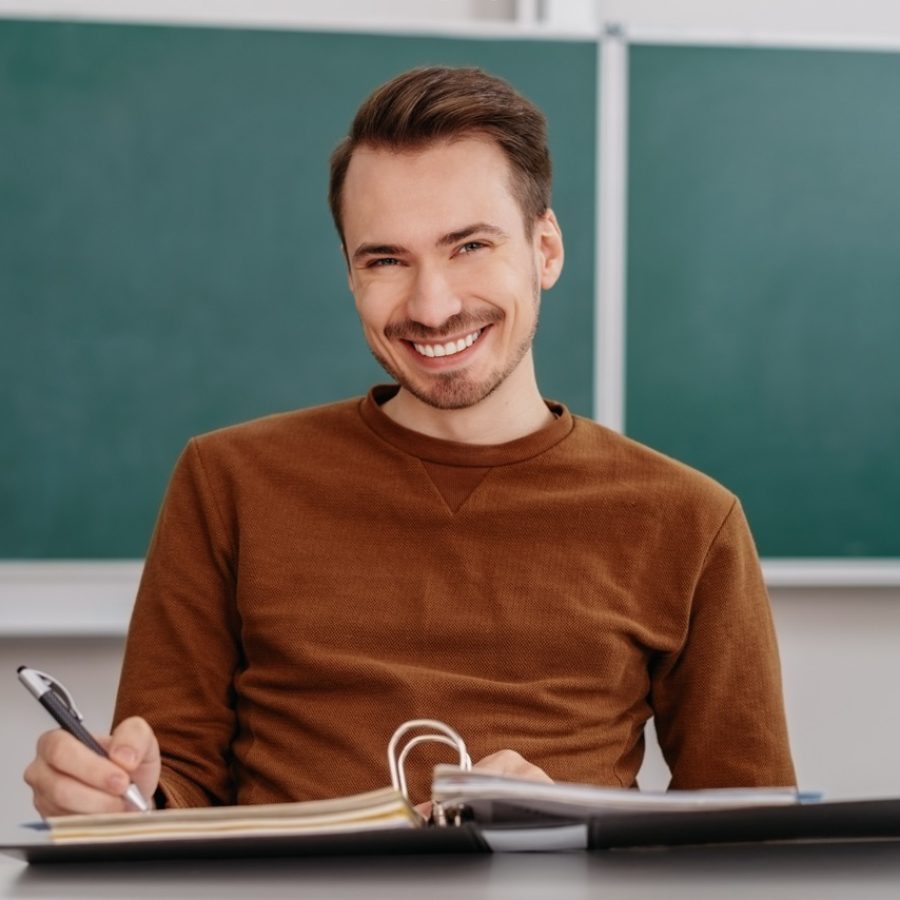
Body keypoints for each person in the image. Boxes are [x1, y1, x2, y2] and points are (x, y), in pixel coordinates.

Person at [24, 66, 795, 817]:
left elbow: (747, 835)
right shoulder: (226, 481)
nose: (431, 306)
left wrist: (571, 822)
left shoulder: (691, 520)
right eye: (386, 259)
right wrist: (120, 799)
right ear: (351, 275)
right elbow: (171, 781)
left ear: (546, 250)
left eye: (469, 246)